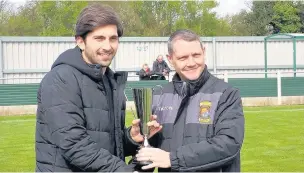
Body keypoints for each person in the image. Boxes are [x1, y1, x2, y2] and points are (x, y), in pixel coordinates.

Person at [35, 4, 161, 172]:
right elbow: (75, 145)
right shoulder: (60, 79)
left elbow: (104, 141)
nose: (108, 46)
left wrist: (131, 137)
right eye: (99, 38)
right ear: (80, 41)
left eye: (113, 38)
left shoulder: (108, 80)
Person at [135, 29, 245, 172]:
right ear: (170, 59)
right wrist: (136, 145)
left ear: (204, 52)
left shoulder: (226, 93)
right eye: (183, 58)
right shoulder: (159, 96)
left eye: (196, 55)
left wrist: (172, 159)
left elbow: (228, 144)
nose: (191, 62)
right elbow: (148, 148)